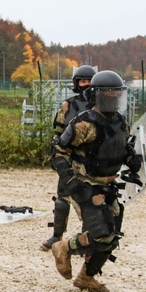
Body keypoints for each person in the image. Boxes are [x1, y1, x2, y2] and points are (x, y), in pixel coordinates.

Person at [49, 70, 138, 292]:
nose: (112, 97)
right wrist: (70, 180)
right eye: (107, 93)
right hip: (84, 184)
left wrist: (131, 158)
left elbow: (121, 148)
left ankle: (86, 277)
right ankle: (63, 247)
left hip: (107, 185)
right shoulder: (83, 124)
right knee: (102, 234)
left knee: (112, 237)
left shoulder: (120, 122)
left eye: (115, 93)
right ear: (97, 95)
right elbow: (59, 152)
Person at [42, 64, 96, 251]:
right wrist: (56, 155)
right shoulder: (68, 105)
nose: (86, 84)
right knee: (62, 199)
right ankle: (57, 235)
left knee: (89, 203)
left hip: (91, 161)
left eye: (89, 81)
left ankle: (85, 240)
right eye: (83, 81)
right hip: (69, 158)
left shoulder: (101, 106)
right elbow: (57, 132)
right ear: (76, 83)